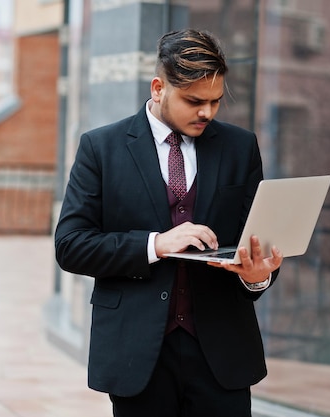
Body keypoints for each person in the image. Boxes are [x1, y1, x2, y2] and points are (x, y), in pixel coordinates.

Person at [55, 28, 283, 417]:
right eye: (194, 101)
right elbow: (71, 245)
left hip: (221, 353)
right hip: (136, 354)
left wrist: (257, 275)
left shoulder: (240, 147)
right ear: (158, 88)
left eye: (214, 102)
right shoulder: (101, 148)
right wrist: (155, 244)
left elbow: (255, 240)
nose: (207, 113)